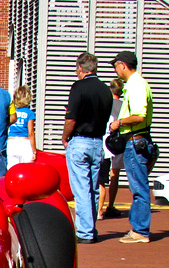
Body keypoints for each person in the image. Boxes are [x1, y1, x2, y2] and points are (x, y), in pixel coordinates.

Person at [61, 52, 112, 244]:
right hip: (98, 141)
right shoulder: (105, 90)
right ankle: (91, 227)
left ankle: (85, 231)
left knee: (81, 188)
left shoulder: (79, 88)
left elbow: (71, 118)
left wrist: (65, 137)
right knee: (93, 187)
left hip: (80, 140)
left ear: (81, 69)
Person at [110, 51, 155, 244]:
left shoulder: (136, 85)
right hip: (138, 140)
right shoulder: (137, 84)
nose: (116, 71)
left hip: (135, 140)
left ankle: (140, 230)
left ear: (123, 65)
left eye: (116, 66)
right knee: (138, 186)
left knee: (139, 187)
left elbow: (139, 115)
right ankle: (138, 228)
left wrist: (119, 122)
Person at [98, 78, 125, 220]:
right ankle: (111, 204)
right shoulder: (124, 105)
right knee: (115, 174)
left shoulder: (106, 104)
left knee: (101, 178)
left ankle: (99, 209)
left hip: (105, 142)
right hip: (119, 142)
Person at [7, 85, 37, 168]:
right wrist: (34, 150)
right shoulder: (29, 113)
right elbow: (31, 133)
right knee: (27, 171)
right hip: (24, 143)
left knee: (11, 171)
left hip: (11, 142)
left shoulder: (12, 112)